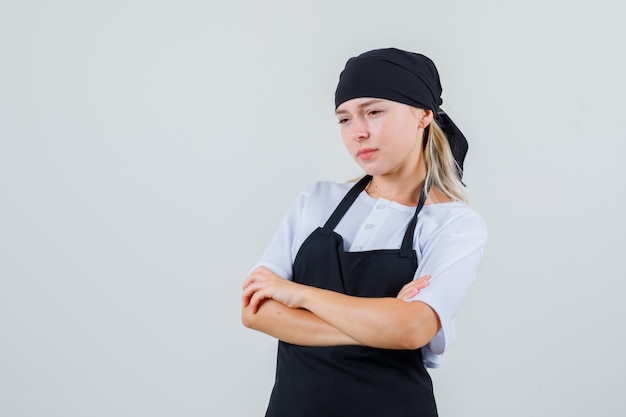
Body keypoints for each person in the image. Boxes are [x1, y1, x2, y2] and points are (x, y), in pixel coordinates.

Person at [241, 47, 488, 417]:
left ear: (423, 114)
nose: (358, 132)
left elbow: (412, 330)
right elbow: (256, 310)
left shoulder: (454, 225)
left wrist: (298, 294)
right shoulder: (317, 201)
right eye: (344, 119)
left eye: (374, 111)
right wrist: (380, 323)